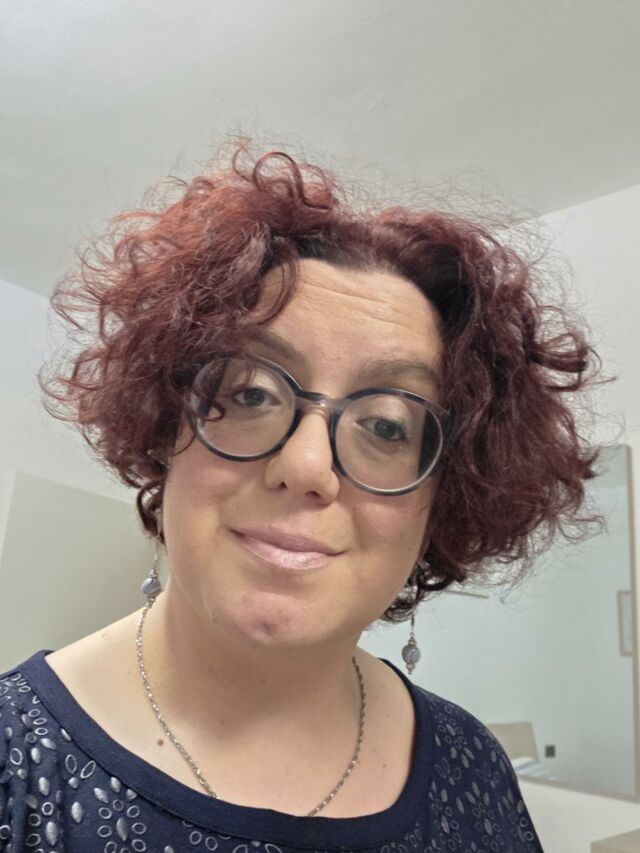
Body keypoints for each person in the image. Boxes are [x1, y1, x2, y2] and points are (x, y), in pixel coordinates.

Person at [0, 143, 605, 851]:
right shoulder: (16, 764)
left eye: (387, 425)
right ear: (166, 428)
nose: (308, 464)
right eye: (252, 392)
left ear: (443, 497)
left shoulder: (475, 768)